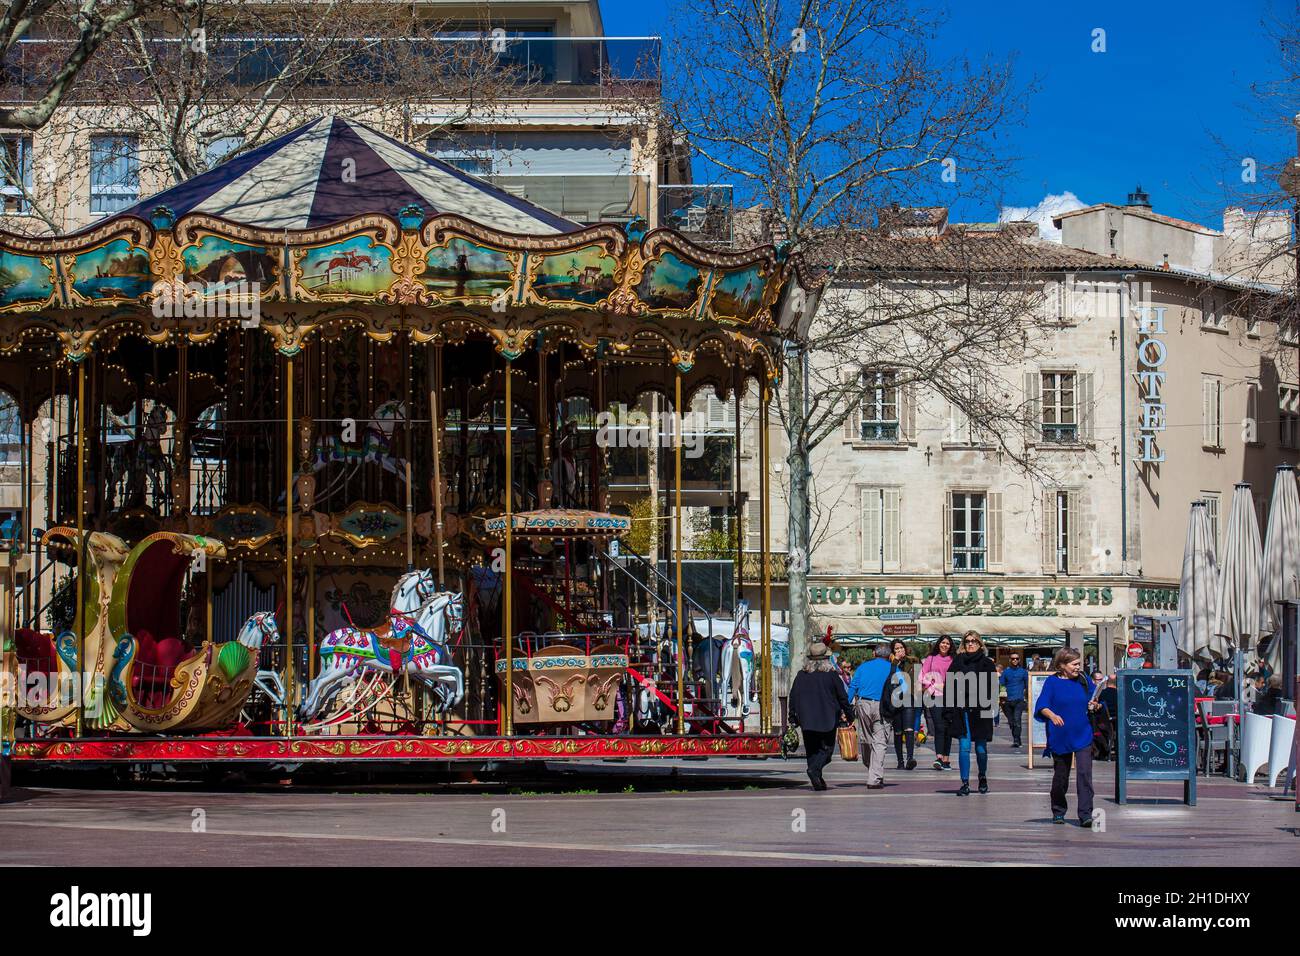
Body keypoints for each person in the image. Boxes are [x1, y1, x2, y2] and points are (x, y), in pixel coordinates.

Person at [1034, 647, 1101, 826]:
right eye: (1074, 664)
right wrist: (1053, 716)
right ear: (1062, 665)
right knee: (1061, 776)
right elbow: (1042, 705)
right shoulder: (1052, 682)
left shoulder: (1084, 680)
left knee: (1084, 774)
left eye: (1079, 663)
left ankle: (1086, 814)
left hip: (1082, 733)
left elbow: (1094, 699)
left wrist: (1095, 705)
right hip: (1060, 735)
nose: (1078, 667)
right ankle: (1058, 810)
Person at [787, 641, 855, 791]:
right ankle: (814, 771)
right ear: (826, 659)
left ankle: (817, 779)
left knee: (812, 751)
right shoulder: (831, 675)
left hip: (806, 720)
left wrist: (792, 717)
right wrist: (850, 715)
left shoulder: (801, 675)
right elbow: (842, 697)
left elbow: (793, 696)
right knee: (827, 751)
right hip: (827, 718)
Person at [945, 631, 997, 796]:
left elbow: (992, 689)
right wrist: (948, 711)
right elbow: (949, 686)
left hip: (981, 710)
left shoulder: (987, 663)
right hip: (962, 711)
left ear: (980, 643)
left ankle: (982, 776)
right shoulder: (957, 662)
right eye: (967, 641)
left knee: (981, 748)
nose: (970, 643)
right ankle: (965, 782)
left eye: (974, 641)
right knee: (964, 747)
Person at [847, 644, 895, 789]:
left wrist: (845, 705)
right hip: (883, 707)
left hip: (863, 704)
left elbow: (853, 686)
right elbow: (903, 689)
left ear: (874, 654)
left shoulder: (863, 667)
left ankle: (873, 771)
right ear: (889, 656)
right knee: (880, 742)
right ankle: (874, 778)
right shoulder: (894, 669)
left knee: (866, 739)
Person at [920, 635, 956, 770]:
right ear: (938, 644)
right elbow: (923, 675)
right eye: (943, 643)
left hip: (951, 697)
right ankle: (939, 757)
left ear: (950, 646)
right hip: (935, 696)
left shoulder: (954, 659)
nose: (945, 645)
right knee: (939, 727)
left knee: (948, 728)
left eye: (947, 643)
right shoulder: (931, 658)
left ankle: (946, 759)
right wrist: (932, 686)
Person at [889, 638, 917, 771]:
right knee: (898, 731)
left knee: (909, 729)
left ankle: (910, 758)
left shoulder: (913, 661)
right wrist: (895, 661)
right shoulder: (890, 663)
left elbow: (915, 678)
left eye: (901, 648)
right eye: (897, 649)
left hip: (908, 698)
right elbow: (890, 676)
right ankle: (900, 761)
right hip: (894, 700)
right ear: (893, 652)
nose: (900, 650)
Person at [999, 652, 1029, 748]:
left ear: (1019, 660)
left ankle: (1016, 740)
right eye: (1012, 658)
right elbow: (1002, 685)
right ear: (1009, 660)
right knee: (1011, 722)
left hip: (1019, 700)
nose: (1014, 660)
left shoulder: (1023, 672)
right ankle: (1017, 738)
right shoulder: (1006, 672)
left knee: (1017, 720)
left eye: (1016, 658)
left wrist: (1028, 697)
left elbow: (1028, 685)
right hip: (1007, 701)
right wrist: (1002, 698)